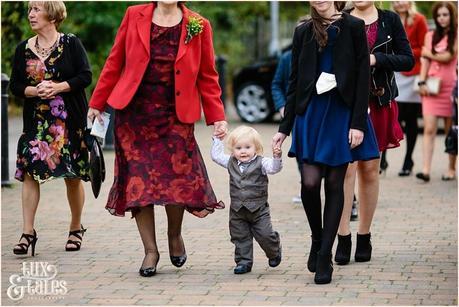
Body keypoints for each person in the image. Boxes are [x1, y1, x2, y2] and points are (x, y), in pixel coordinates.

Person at [87, 1, 228, 277]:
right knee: (139, 182)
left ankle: (174, 235)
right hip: (134, 115)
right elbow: (115, 61)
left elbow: (207, 75)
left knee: (175, 180)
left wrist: (217, 116)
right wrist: (98, 102)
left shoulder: (199, 24)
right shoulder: (133, 14)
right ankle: (150, 250)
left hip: (175, 115)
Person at [272, 1, 379, 284]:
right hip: (311, 114)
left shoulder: (353, 26)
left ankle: (324, 257)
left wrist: (357, 124)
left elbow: (362, 78)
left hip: (341, 114)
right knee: (309, 183)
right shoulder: (303, 30)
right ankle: (317, 239)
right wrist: (284, 128)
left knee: (334, 183)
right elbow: (294, 81)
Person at [10, 1, 92, 256]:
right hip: (36, 123)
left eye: (36, 10)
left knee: (72, 176)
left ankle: (76, 227)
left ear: (53, 15)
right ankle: (27, 232)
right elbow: (14, 85)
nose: (31, 15)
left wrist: (58, 87)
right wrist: (33, 90)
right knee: (29, 174)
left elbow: (85, 75)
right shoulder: (23, 49)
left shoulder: (70, 43)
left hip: (69, 122)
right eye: (29, 10)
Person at [336, 1, 414, 266]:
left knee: (369, 168)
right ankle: (342, 235)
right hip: (345, 104)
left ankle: (364, 235)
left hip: (378, 102)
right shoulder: (341, 18)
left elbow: (407, 59)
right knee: (345, 169)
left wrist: (376, 58)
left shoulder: (389, 20)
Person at [211, 126, 282, 274]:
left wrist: (277, 157)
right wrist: (217, 140)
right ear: (232, 150)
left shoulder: (262, 163)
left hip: (259, 210)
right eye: (238, 148)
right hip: (237, 211)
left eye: (247, 147)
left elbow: (274, 169)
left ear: (256, 148)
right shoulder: (230, 162)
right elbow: (216, 156)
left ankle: (274, 250)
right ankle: (243, 262)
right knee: (239, 237)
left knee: (265, 235)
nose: (243, 151)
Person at [416, 1, 457, 182]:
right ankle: (425, 170)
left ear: (451, 16)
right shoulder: (430, 35)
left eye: (445, 15)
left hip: (451, 88)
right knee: (429, 128)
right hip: (431, 87)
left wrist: (428, 53)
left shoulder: (456, 35)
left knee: (451, 131)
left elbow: (449, 56)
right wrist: (422, 82)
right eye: (439, 15)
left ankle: (450, 168)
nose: (441, 18)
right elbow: (424, 61)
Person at [391, 1, 429, 177]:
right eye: (395, 0)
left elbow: (424, 48)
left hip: (413, 72)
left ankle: (408, 159)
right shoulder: (390, 19)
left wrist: (403, 52)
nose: (399, 3)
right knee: (393, 116)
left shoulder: (419, 20)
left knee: (411, 119)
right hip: (394, 73)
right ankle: (382, 158)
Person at [271, 45, 302, 204]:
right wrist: (282, 106)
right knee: (301, 151)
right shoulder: (287, 58)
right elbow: (276, 84)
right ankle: (306, 186)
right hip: (295, 113)